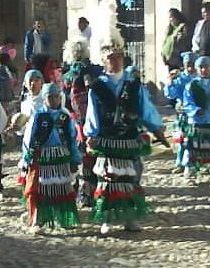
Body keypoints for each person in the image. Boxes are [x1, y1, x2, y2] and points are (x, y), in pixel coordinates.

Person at [84, 41, 168, 234]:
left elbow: (145, 108)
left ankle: (130, 218)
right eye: (110, 58)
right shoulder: (97, 87)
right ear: (104, 61)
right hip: (107, 138)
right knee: (107, 178)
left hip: (129, 138)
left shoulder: (133, 84)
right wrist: (91, 134)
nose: (115, 61)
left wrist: (156, 127)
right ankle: (107, 219)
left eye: (118, 57)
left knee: (131, 178)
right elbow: (92, 113)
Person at [22, 83, 81, 233]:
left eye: (56, 97)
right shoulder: (39, 115)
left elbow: (72, 137)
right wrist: (28, 156)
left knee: (62, 188)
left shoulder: (65, 116)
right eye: (50, 97)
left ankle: (64, 217)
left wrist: (74, 157)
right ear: (44, 98)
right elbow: (31, 137)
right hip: (43, 157)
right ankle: (39, 219)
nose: (54, 100)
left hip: (61, 157)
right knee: (42, 189)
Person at [62, 37, 103, 207]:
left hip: (77, 123)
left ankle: (83, 193)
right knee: (93, 155)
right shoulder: (95, 71)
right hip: (95, 120)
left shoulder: (68, 76)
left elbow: (65, 102)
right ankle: (94, 191)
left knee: (80, 156)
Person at [182, 56, 210, 179]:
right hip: (197, 121)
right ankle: (190, 169)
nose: (203, 70)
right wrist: (195, 110)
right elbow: (187, 102)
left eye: (206, 67)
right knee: (193, 146)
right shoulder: (192, 85)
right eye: (201, 67)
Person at [164, 52, 197, 173]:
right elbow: (170, 94)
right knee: (182, 139)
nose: (190, 67)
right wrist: (170, 82)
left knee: (192, 140)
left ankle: (190, 163)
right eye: (188, 64)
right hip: (182, 113)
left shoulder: (199, 78)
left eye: (193, 64)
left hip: (195, 114)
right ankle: (180, 162)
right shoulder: (180, 78)